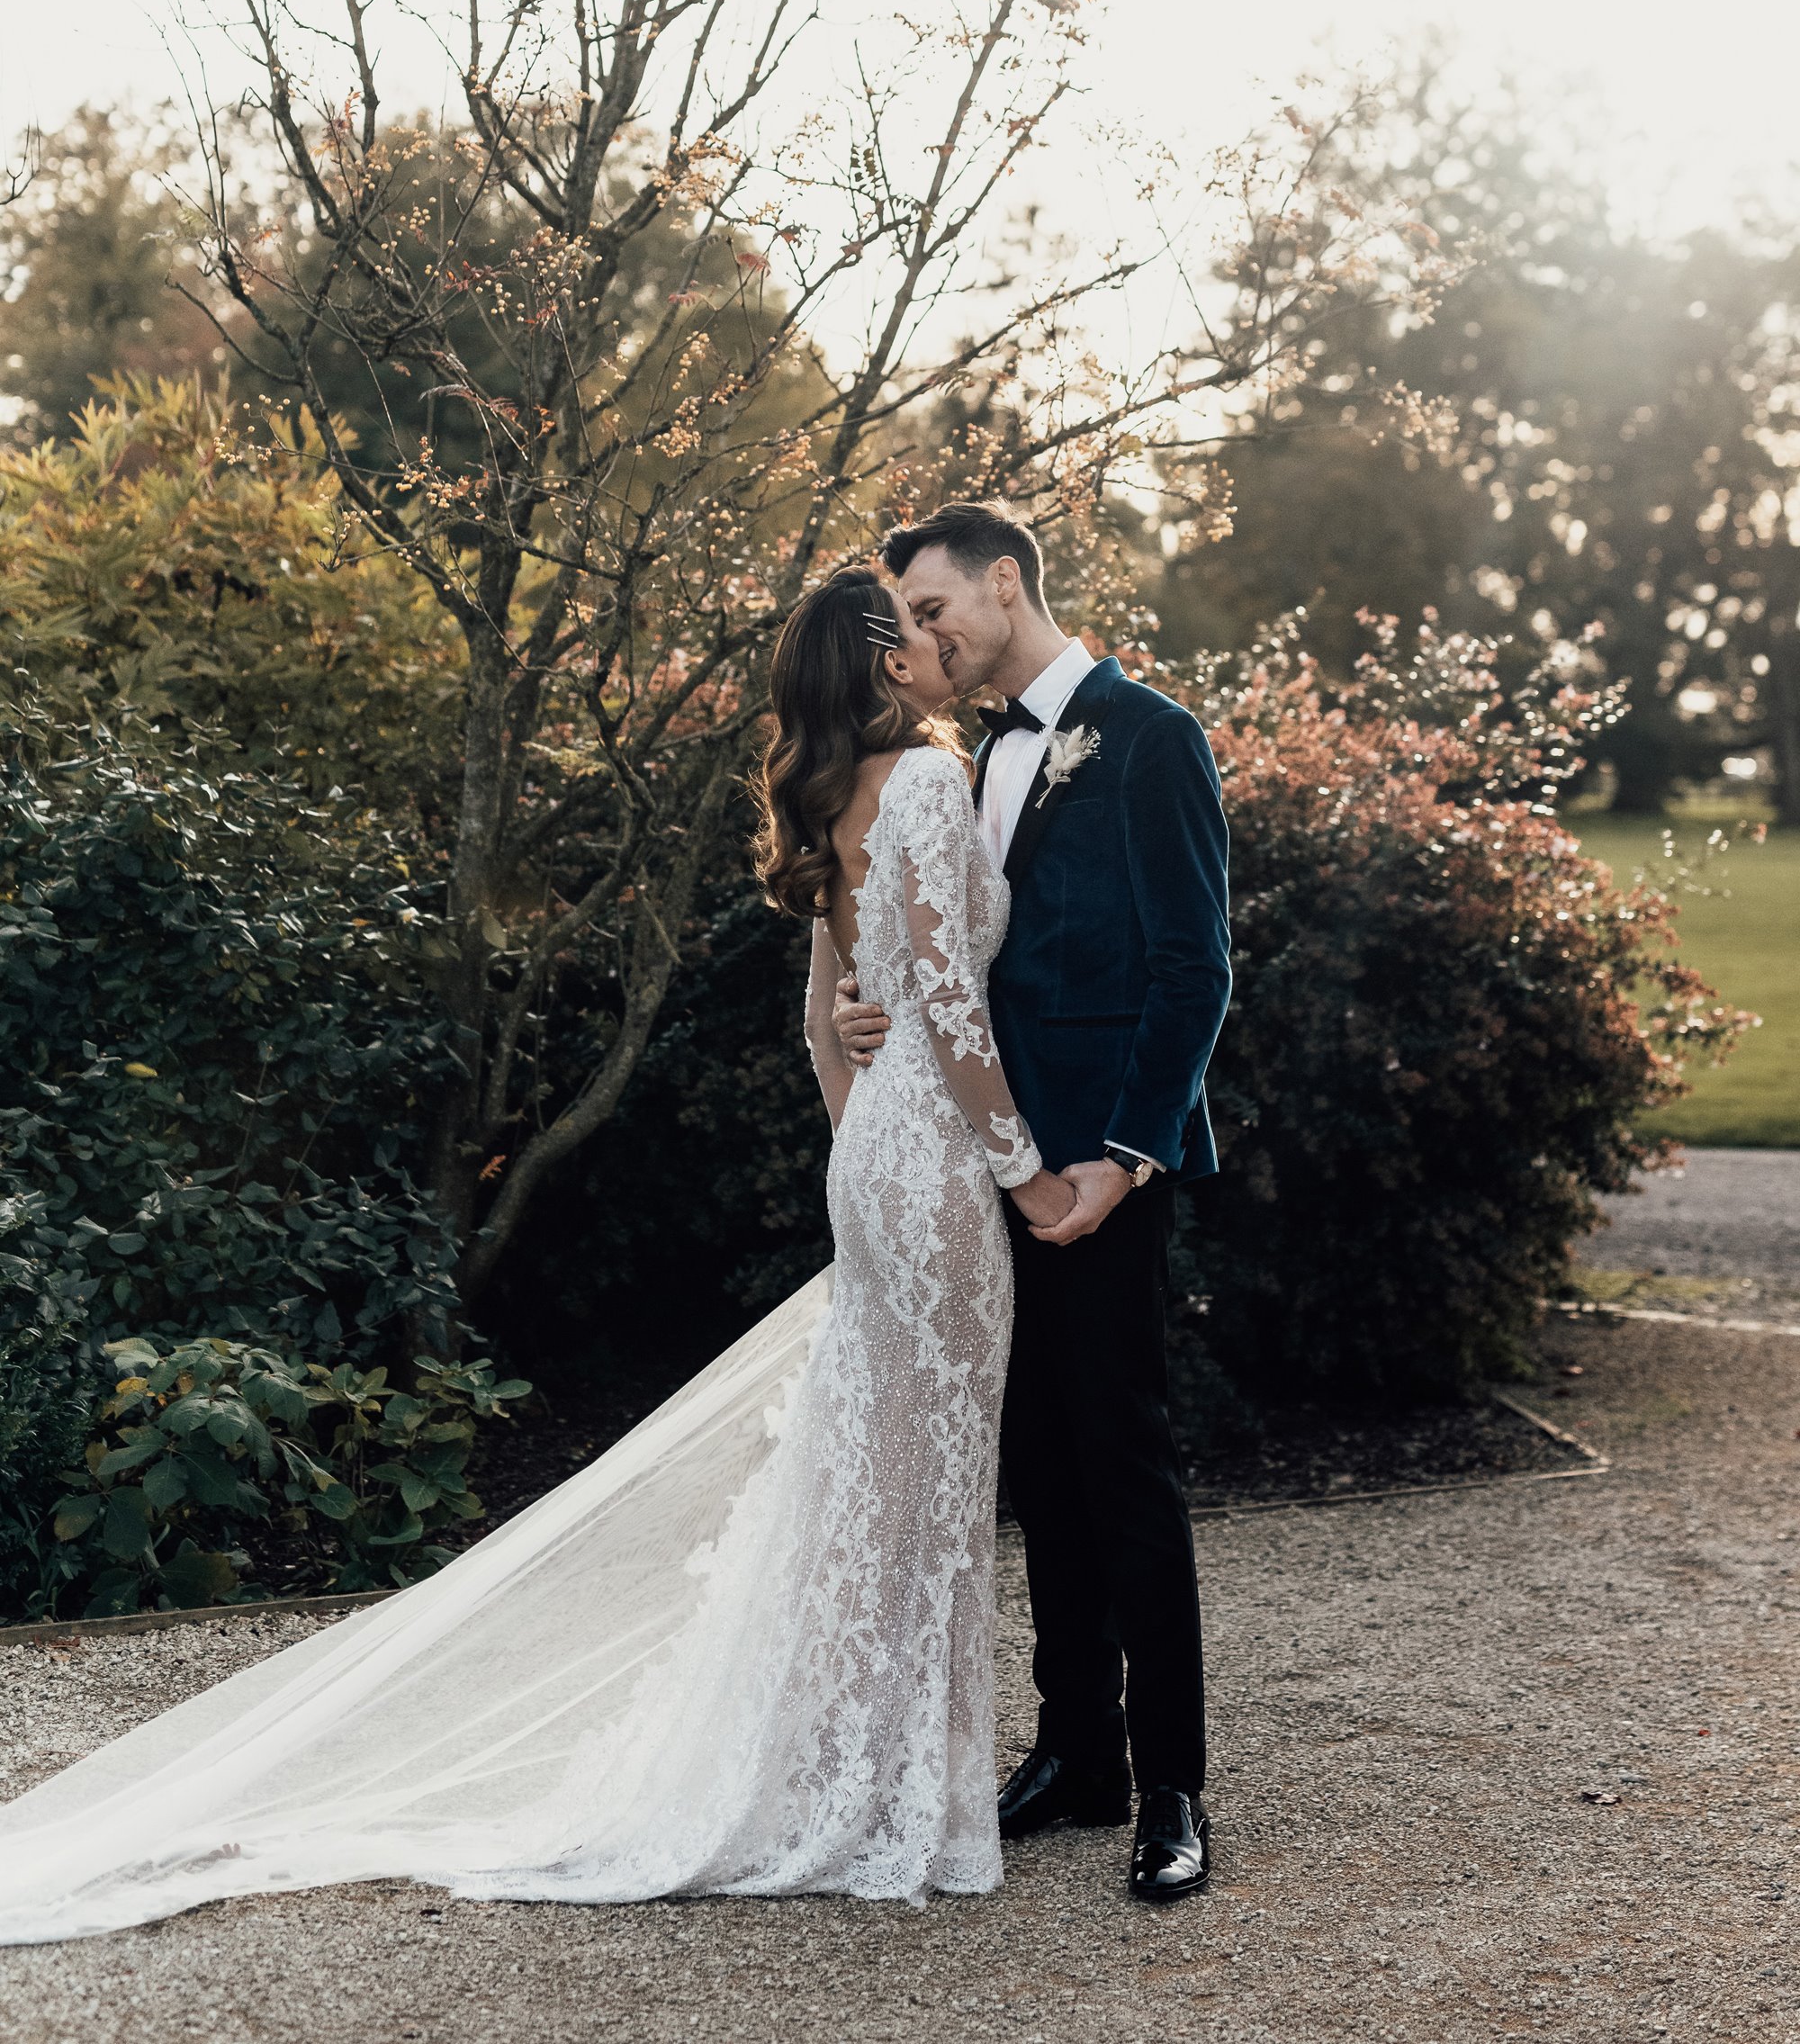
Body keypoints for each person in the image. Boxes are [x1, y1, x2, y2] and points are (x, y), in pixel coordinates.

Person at [0, 563, 1076, 1941]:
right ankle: (891, 1800)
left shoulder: (825, 804)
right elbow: (945, 1001)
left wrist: (874, 1135)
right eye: (909, 632)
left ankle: (851, 1781)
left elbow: (828, 1025)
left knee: (875, 1475)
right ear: (874, 666)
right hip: (934, 1172)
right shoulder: (925, 786)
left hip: (872, 1164)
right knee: (921, 1484)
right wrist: (1017, 1169)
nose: (929, 647)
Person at [834, 501, 1231, 1905]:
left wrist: (1123, 1158)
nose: (922, 638)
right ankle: (1078, 1751)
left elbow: (1196, 971)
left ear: (1008, 584)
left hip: (1099, 1174)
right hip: (982, 1165)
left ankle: (1174, 1786)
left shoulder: (1150, 737)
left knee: (1123, 1464)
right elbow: (955, 960)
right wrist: (879, 1022)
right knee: (1039, 1471)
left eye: (936, 609)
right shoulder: (978, 754)